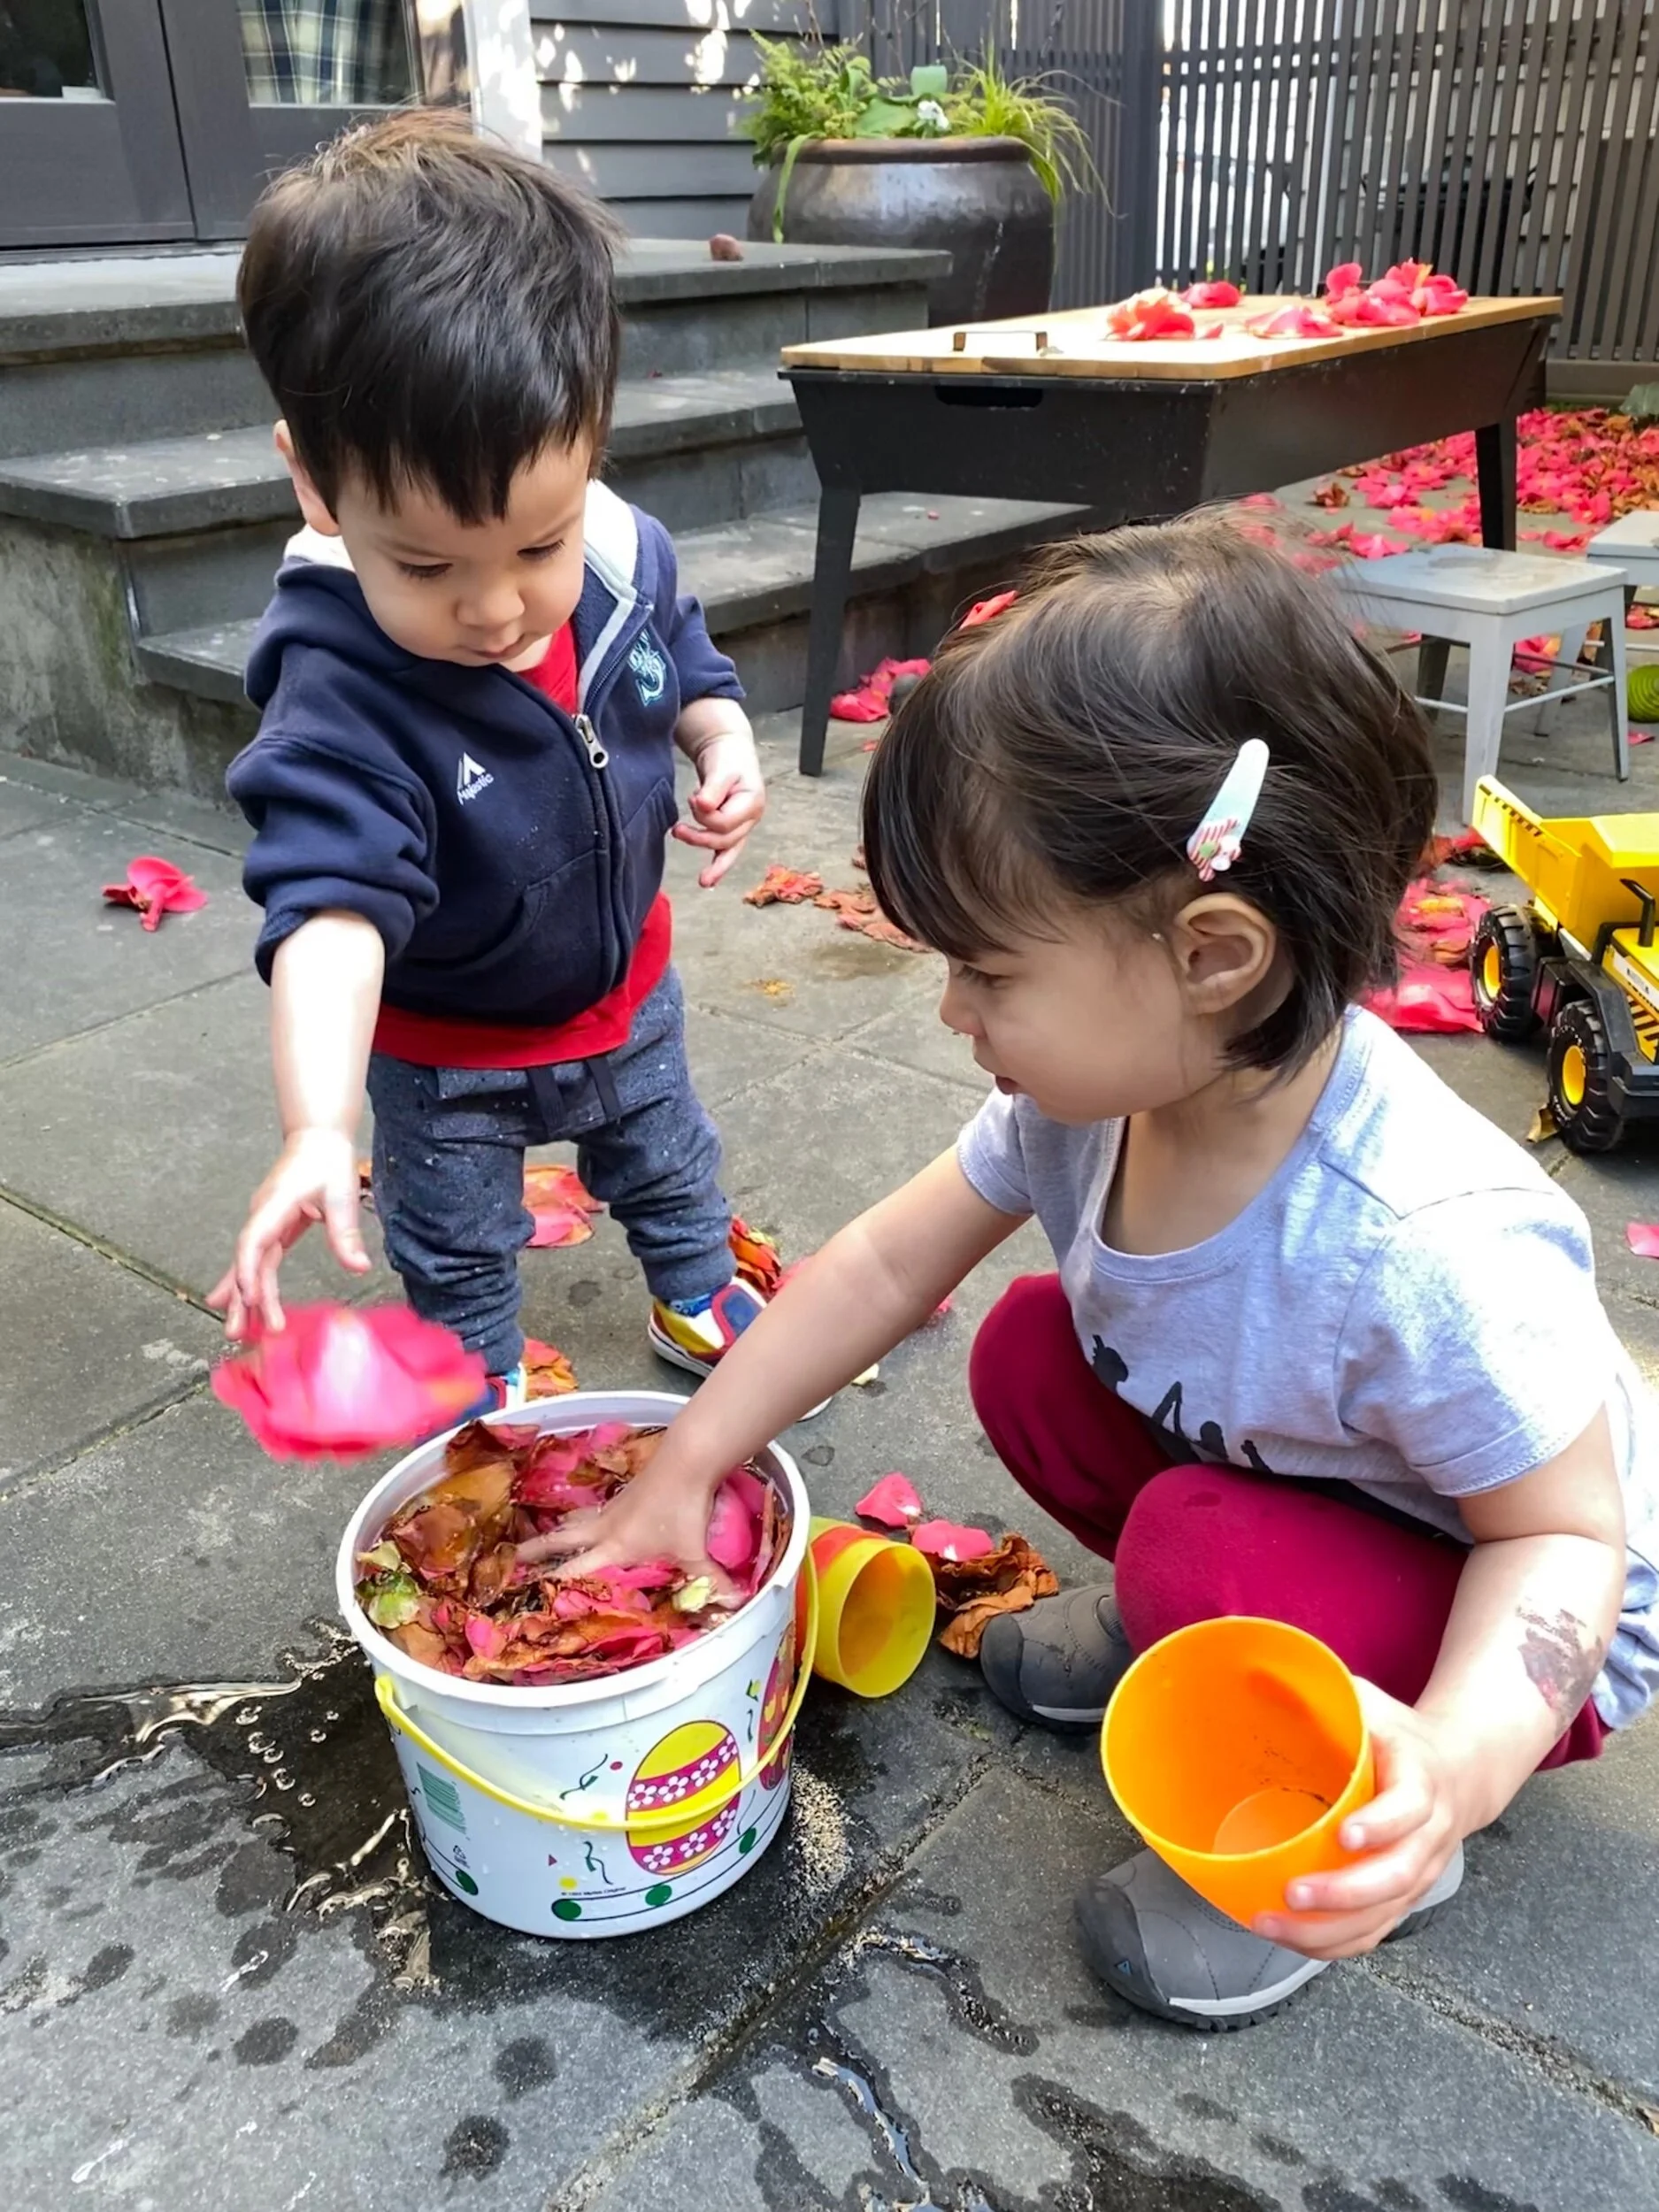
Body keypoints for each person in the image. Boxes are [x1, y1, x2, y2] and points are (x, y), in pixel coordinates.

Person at [524, 513, 1658, 2027]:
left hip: (1516, 1605)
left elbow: (1566, 1549)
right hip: (1316, 1477)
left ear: (1211, 956)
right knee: (1030, 1352)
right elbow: (877, 1269)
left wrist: (1451, 1767)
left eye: (987, 973)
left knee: (1197, 1548)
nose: (950, 1013)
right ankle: (1201, 1624)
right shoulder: (1094, 1103)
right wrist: (690, 1461)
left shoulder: (1423, 1243)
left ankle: (1352, 1830)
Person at [212, 112, 775, 1407]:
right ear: (314, 483)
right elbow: (331, 911)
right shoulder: (340, 693)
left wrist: (720, 736)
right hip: (447, 1048)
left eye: (538, 544)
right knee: (457, 1239)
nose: (497, 609)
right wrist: (315, 1126)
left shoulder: (623, 555)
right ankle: (476, 1378)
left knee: (671, 1162)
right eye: (426, 565)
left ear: (590, 439)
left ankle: (694, 1294)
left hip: (624, 989)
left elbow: (680, 665)